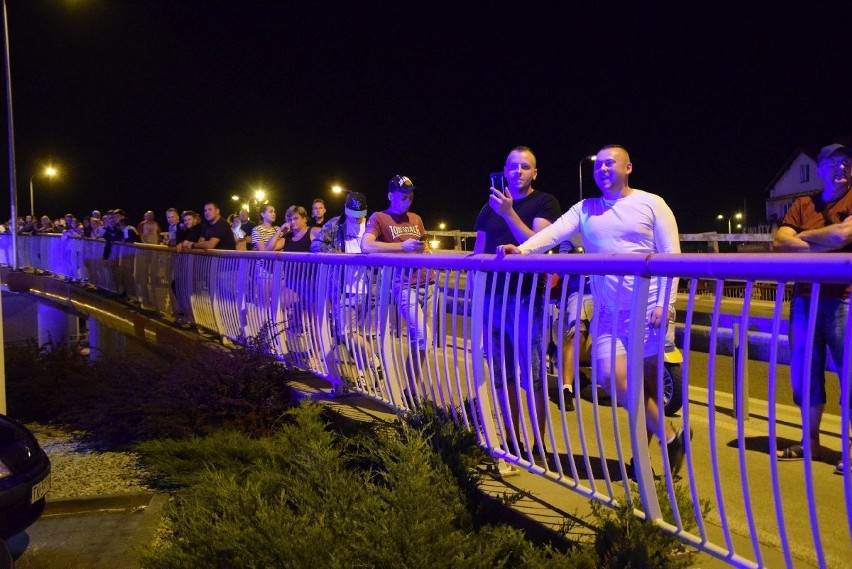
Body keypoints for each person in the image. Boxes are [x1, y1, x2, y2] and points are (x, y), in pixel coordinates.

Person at [499, 144, 688, 476]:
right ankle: (671, 436)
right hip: (607, 311)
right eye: (598, 164)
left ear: (628, 168)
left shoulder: (651, 203)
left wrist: (665, 304)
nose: (602, 169)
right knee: (609, 376)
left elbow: (672, 255)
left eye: (609, 163)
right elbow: (553, 234)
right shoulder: (587, 208)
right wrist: (522, 250)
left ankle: (641, 463)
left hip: (648, 310)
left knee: (646, 388)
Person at [473, 146, 562, 459]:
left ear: (534, 173)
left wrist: (509, 213)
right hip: (493, 298)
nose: (519, 172)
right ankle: (512, 439)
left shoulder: (545, 202)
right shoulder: (488, 208)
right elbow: (479, 253)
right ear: (505, 170)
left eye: (526, 167)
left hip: (528, 297)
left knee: (533, 372)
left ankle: (539, 444)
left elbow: (539, 245)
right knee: (503, 372)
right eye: (513, 167)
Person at [773, 142, 852, 474]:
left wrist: (803, 239)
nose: (842, 168)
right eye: (833, 163)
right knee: (805, 372)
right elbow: (779, 242)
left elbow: (844, 235)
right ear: (820, 170)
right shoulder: (803, 203)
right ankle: (811, 443)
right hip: (805, 298)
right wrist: (825, 238)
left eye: (847, 162)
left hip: (843, 298)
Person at [362, 175, 435, 401]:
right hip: (403, 284)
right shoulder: (379, 217)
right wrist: (401, 246)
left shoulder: (416, 218)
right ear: (390, 195)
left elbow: (421, 248)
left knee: (421, 340)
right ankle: (411, 389)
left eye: (411, 194)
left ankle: (411, 390)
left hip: (428, 282)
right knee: (423, 337)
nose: (408, 199)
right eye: (403, 195)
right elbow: (366, 246)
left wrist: (427, 252)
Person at [311, 192, 381, 386]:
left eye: (359, 214)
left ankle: (365, 376)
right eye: (352, 213)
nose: (356, 218)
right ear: (345, 209)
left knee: (356, 334)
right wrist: (340, 257)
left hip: (368, 290)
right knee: (347, 333)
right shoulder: (336, 224)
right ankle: (374, 362)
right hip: (344, 289)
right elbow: (316, 244)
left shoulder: (372, 226)